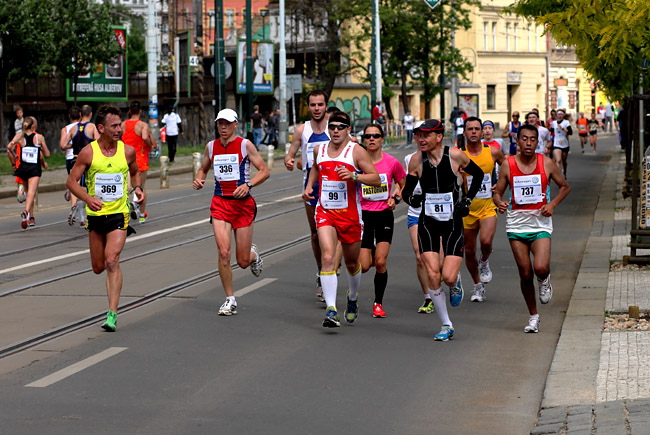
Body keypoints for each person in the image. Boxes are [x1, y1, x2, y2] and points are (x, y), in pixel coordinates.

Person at [402, 119, 485, 341]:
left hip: (452, 222)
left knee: (447, 276)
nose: (420, 139)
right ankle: (446, 324)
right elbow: (405, 192)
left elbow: (478, 175)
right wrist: (413, 198)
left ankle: (455, 280)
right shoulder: (416, 162)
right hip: (427, 223)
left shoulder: (456, 156)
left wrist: (467, 200)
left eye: (425, 135)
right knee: (432, 274)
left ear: (439, 137)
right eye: (418, 135)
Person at [65, 105, 144, 332]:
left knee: (112, 260)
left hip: (119, 214)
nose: (119, 129)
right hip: (96, 216)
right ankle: (111, 307)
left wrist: (137, 187)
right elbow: (71, 182)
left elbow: (136, 171)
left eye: (120, 125)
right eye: (114, 126)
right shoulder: (88, 152)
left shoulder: (127, 151)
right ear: (101, 128)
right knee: (98, 267)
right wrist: (88, 199)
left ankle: (112, 313)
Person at [302, 110, 381, 327]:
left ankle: (352, 297)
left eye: (340, 127)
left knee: (352, 262)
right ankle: (331, 309)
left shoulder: (356, 152)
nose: (335, 131)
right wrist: (309, 187)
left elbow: (375, 179)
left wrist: (355, 175)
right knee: (328, 257)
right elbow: (316, 169)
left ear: (348, 129)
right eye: (332, 127)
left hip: (350, 216)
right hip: (325, 211)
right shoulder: (320, 149)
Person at [492, 124, 570, 333]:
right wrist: (499, 202)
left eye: (532, 139)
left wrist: (552, 205)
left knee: (540, 267)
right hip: (516, 223)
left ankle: (544, 280)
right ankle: (533, 316)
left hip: (540, 223)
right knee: (525, 273)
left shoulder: (547, 163)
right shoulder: (508, 165)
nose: (528, 143)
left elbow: (565, 186)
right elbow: (498, 192)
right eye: (524, 139)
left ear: (538, 142)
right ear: (517, 141)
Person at [193, 108, 269, 316]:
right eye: (220, 124)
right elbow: (203, 168)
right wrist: (199, 178)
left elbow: (264, 170)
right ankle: (230, 299)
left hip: (242, 205)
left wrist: (249, 185)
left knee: (242, 261)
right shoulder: (211, 146)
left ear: (236, 124)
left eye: (227, 123)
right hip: (220, 204)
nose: (223, 127)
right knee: (223, 252)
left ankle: (253, 255)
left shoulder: (245, 145)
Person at [285, 90, 343, 301]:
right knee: (316, 234)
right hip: (311, 188)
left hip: (335, 187)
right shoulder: (302, 130)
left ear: (326, 105)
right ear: (308, 107)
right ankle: (322, 270)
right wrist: (289, 161)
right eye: (313, 105)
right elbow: (290, 155)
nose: (317, 108)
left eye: (320, 104)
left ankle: (331, 269)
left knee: (337, 232)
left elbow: (349, 145)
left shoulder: (335, 127)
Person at [358, 124, 406, 318]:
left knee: (380, 261)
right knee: (364, 266)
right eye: (368, 136)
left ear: (382, 139)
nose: (371, 139)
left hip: (384, 214)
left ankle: (378, 303)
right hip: (363, 216)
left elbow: (403, 184)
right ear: (363, 140)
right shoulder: (357, 162)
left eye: (376, 136)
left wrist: (396, 198)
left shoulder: (392, 162)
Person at [459, 117, 506, 302]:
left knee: (486, 242)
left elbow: (509, 168)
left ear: (482, 132)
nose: (473, 132)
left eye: (476, 128)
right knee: (469, 251)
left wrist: (500, 188)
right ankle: (478, 286)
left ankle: (484, 261)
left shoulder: (493, 152)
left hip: (488, 206)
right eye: (469, 129)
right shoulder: (458, 155)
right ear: (464, 133)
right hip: (468, 209)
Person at [403, 150, 435, 314]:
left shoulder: (444, 157)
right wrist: (406, 196)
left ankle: (452, 277)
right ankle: (428, 297)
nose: (422, 139)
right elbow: (405, 184)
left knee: (439, 260)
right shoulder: (409, 159)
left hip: (438, 212)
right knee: (419, 255)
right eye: (419, 135)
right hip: (415, 212)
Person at [8, 117, 50, 229]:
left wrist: (14, 158)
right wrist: (41, 149)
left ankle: (31, 218)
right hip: (34, 169)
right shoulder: (39, 137)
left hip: (23, 168)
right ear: (33, 126)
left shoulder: (19, 136)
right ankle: (26, 212)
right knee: (32, 193)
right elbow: (47, 154)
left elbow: (8, 147)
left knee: (28, 193)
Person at [62, 105, 100, 226]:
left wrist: (72, 146)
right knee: (87, 189)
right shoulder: (92, 127)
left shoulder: (73, 128)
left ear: (80, 114)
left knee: (75, 186)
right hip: (88, 161)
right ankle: (87, 216)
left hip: (75, 159)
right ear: (90, 114)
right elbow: (98, 143)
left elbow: (63, 145)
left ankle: (79, 213)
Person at [122, 101, 156, 223]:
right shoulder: (142, 125)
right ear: (140, 111)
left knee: (126, 185)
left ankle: (127, 208)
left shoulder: (123, 125)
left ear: (130, 111)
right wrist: (150, 145)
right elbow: (145, 137)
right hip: (139, 159)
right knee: (141, 187)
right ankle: (141, 214)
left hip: (125, 158)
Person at [60, 106, 82, 208]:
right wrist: (77, 145)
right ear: (80, 115)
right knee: (83, 185)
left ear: (69, 116)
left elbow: (62, 146)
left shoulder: (66, 129)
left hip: (70, 158)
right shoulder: (85, 127)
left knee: (74, 184)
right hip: (84, 157)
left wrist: (72, 145)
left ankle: (74, 205)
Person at [9, 106, 26, 203]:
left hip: (20, 161)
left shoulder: (24, 121)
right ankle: (22, 192)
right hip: (29, 165)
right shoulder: (34, 137)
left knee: (20, 177)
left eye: (21, 112)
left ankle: (20, 190)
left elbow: (8, 148)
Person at [551, 110, 571, 178]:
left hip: (564, 144)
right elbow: (551, 131)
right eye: (558, 114)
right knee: (558, 160)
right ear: (556, 115)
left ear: (563, 116)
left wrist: (562, 128)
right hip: (556, 144)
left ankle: (564, 171)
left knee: (563, 161)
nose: (559, 116)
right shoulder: (554, 123)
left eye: (561, 114)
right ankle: (558, 175)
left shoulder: (566, 122)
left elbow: (570, 132)